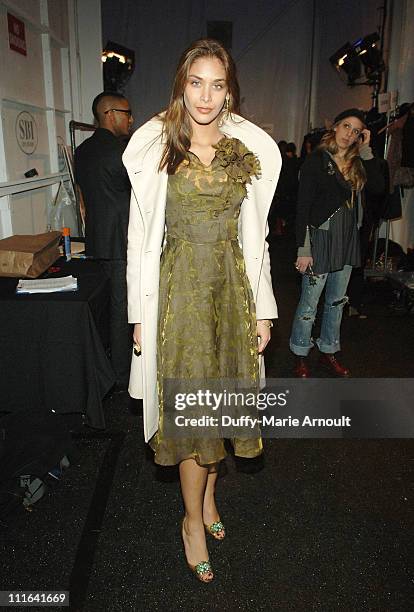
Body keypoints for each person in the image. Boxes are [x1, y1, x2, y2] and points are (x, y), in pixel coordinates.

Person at [123, 39, 281, 582]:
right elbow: (139, 237)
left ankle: (210, 500)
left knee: (225, 410)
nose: (206, 96)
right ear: (181, 85)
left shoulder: (245, 156)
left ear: (230, 92)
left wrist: (263, 310)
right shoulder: (158, 149)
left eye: (217, 84)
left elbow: (254, 240)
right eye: (196, 82)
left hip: (232, 298)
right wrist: (138, 315)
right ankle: (191, 521)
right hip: (179, 300)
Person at [290, 108, 385, 377]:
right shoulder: (317, 161)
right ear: (335, 127)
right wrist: (304, 248)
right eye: (346, 126)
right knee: (309, 304)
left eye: (356, 131)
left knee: (336, 302)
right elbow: (303, 207)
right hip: (320, 238)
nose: (349, 134)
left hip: (347, 239)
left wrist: (366, 150)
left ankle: (329, 350)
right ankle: (300, 354)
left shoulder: (358, 163)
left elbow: (378, 187)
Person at [75, 92, 134, 392]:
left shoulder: (81, 151)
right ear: (110, 114)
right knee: (121, 307)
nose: (131, 118)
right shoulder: (123, 152)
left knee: (105, 306)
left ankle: (106, 365)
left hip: (96, 241)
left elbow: (85, 198)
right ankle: (122, 376)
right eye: (127, 112)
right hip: (122, 242)